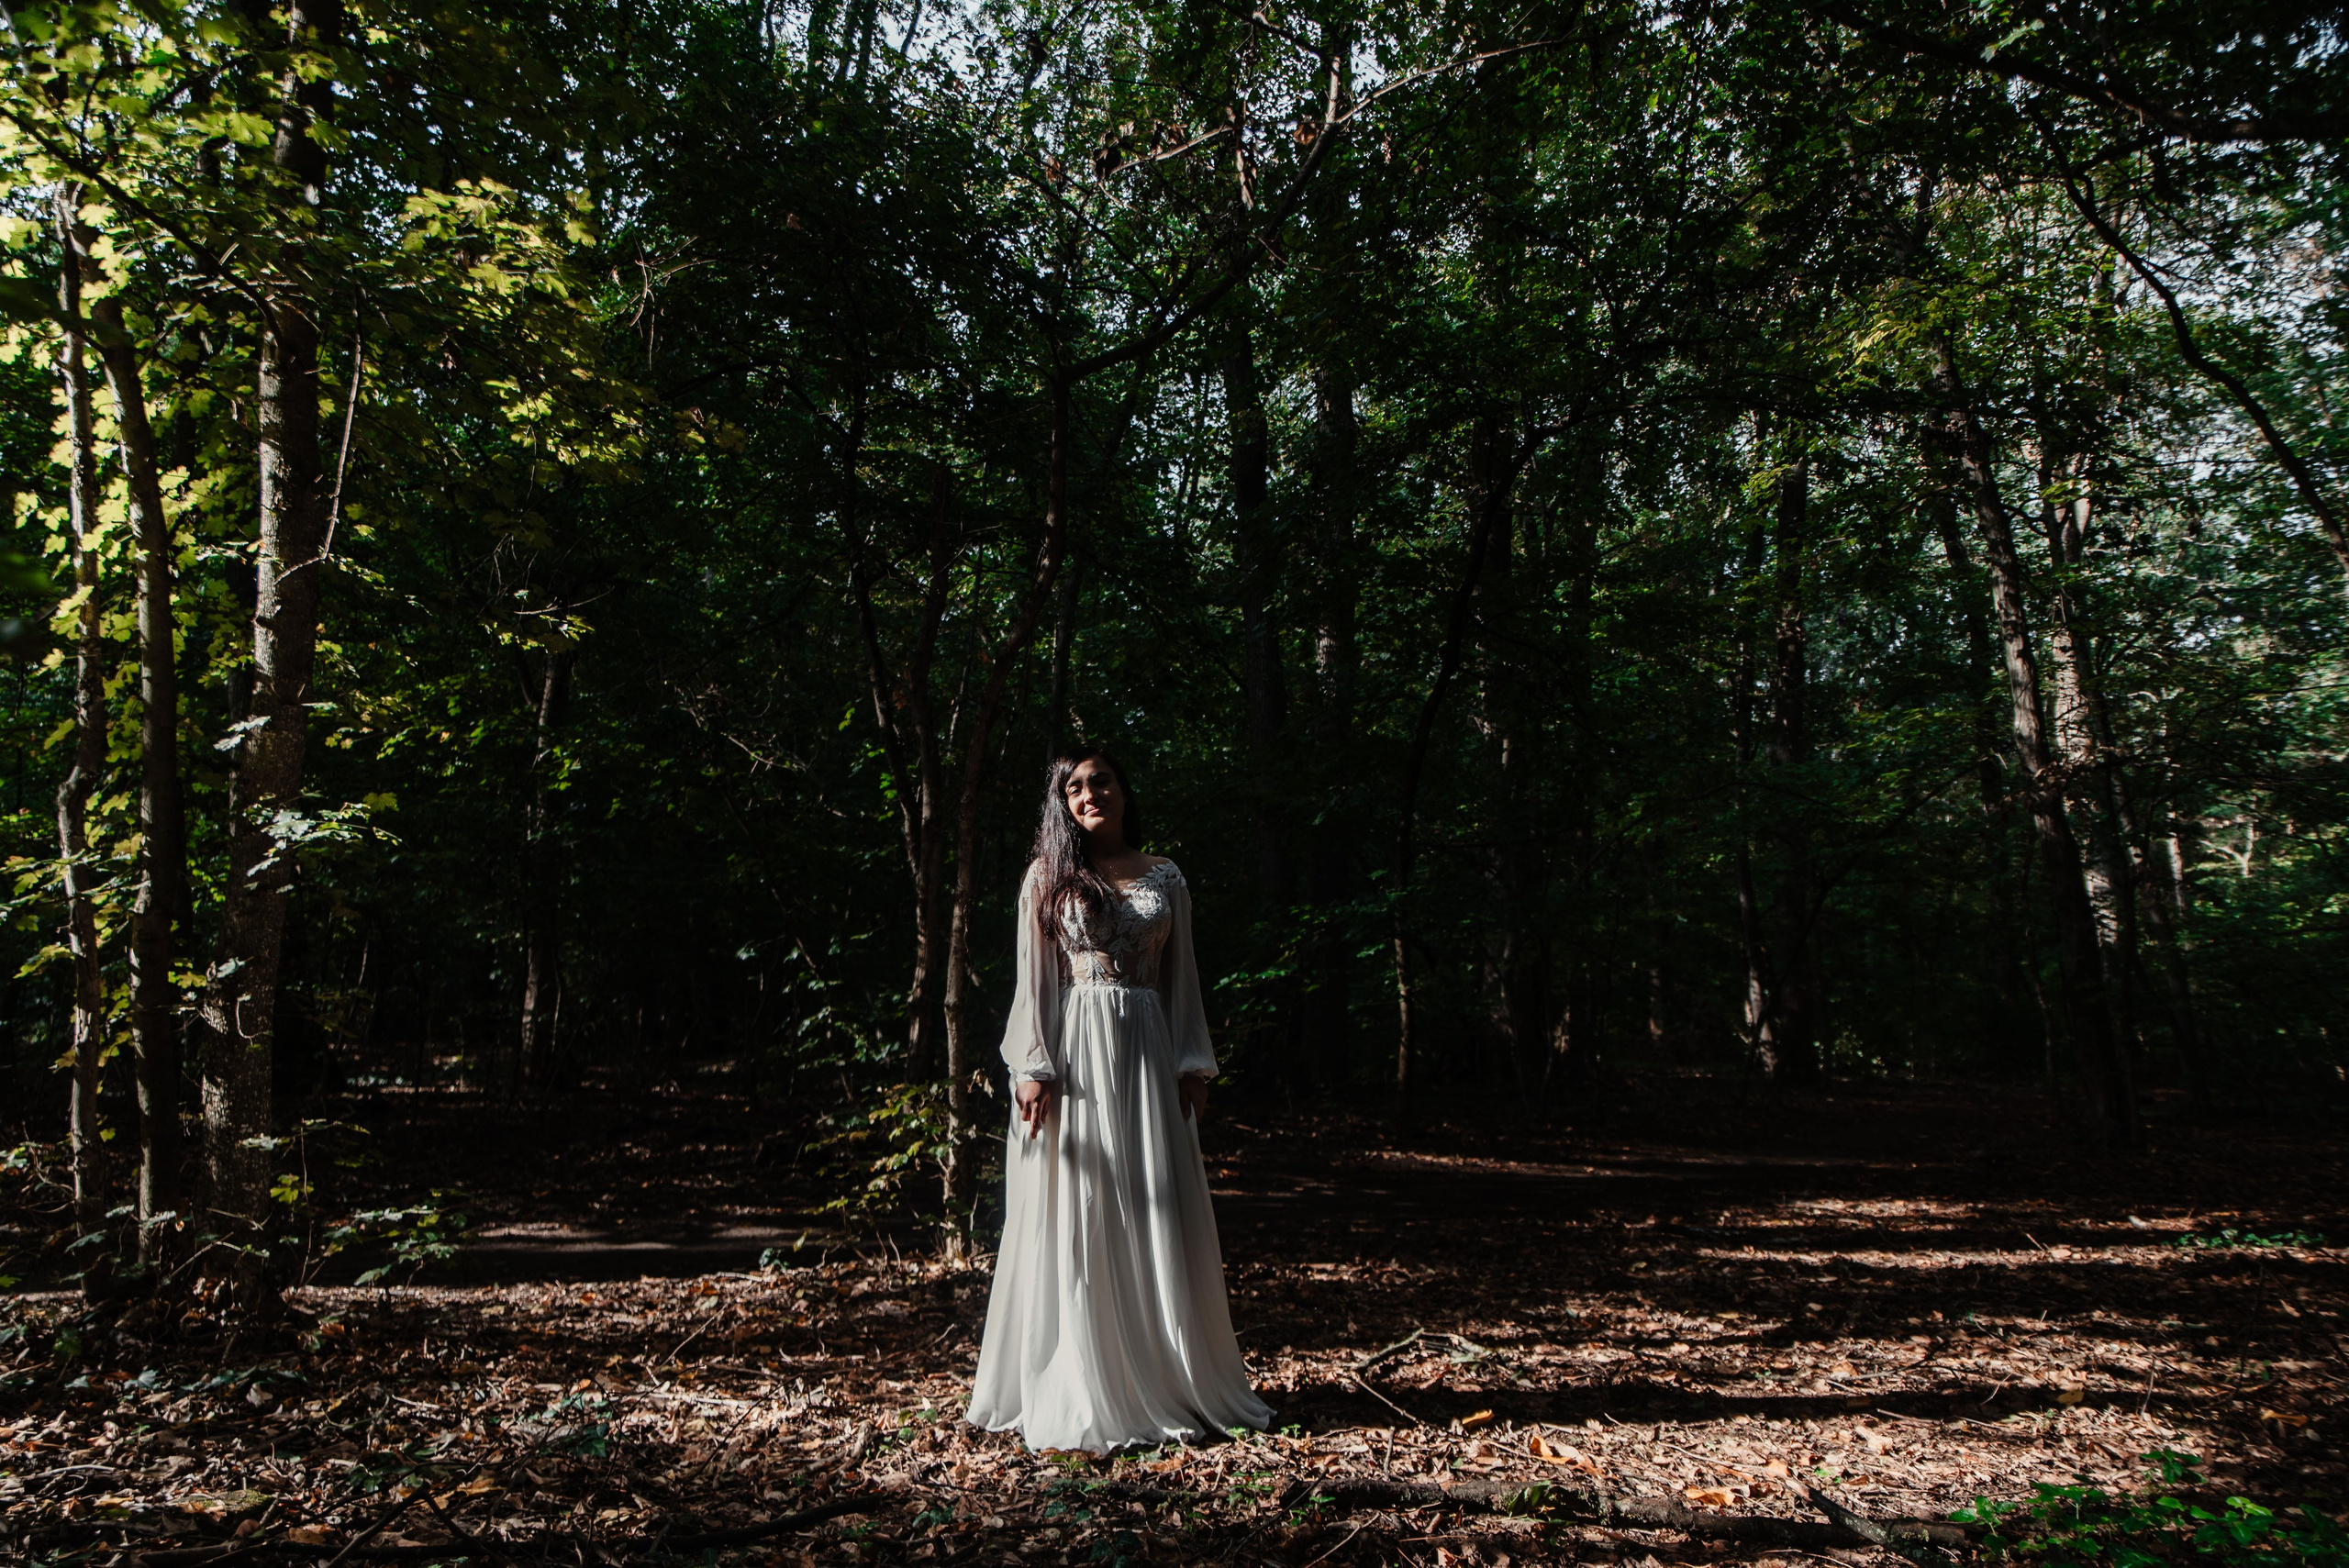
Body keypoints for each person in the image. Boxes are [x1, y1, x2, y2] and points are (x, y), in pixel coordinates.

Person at [966, 746, 1275, 1454]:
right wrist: (1032, 1066)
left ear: (1124, 791)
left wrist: (1193, 1062)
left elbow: (1182, 977)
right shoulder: (1049, 876)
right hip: (1073, 1057)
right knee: (1080, 1206)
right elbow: (1033, 975)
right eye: (1073, 786)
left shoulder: (1166, 875)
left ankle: (1166, 1371)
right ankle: (1081, 1377)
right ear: (1062, 802)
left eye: (1100, 780)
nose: (1088, 793)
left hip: (1145, 1057)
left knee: (1149, 1200)